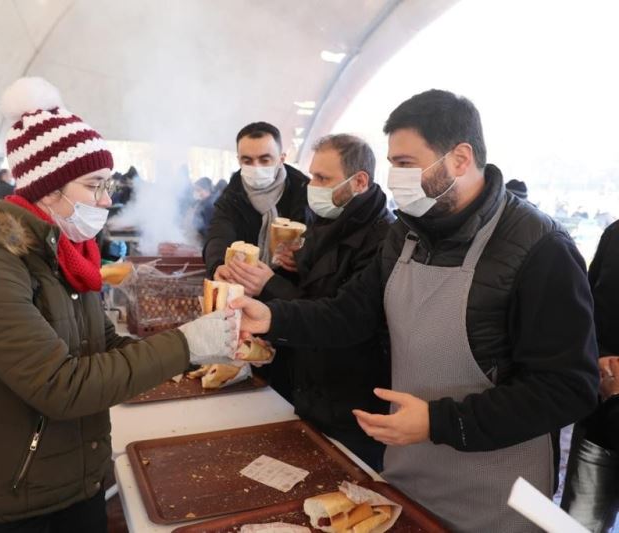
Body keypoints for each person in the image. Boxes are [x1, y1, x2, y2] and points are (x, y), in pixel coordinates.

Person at [230, 90, 600, 532]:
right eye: (392, 162)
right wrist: (273, 318)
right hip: (408, 471)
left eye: (406, 163)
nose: (394, 176)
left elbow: (567, 387)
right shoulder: (405, 235)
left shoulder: (540, 249)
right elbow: (349, 313)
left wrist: (438, 421)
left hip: (496, 493)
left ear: (460, 159)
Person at [0, 77, 239, 532]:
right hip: (8, 498)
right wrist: (186, 344)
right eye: (94, 185)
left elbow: (102, 343)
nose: (106, 199)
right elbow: (62, 385)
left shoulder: (58, 256)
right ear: (48, 188)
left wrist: (202, 337)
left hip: (71, 477)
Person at [223, 134, 393, 470]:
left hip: (351, 403)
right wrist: (294, 270)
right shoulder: (327, 223)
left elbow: (342, 316)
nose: (311, 185)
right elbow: (314, 291)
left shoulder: (383, 238)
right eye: (312, 175)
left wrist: (271, 287)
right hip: (309, 389)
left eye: (322, 178)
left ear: (359, 181)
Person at [561, 219, 619, 531]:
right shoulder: (616, 235)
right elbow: (585, 312)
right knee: (577, 525)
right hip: (599, 424)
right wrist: (595, 357)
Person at [203, 121, 310, 278]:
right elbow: (219, 233)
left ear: (281, 159)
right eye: (247, 161)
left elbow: (320, 238)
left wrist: (303, 257)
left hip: (294, 289)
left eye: (264, 160)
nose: (256, 167)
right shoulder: (232, 195)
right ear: (239, 160)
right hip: (243, 281)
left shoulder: (304, 191)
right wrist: (218, 265)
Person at [184, 177, 216, 244]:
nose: (197, 193)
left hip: (208, 242)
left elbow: (209, 230)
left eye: (199, 190)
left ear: (207, 189)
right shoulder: (202, 203)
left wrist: (199, 233)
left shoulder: (210, 206)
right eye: (196, 190)